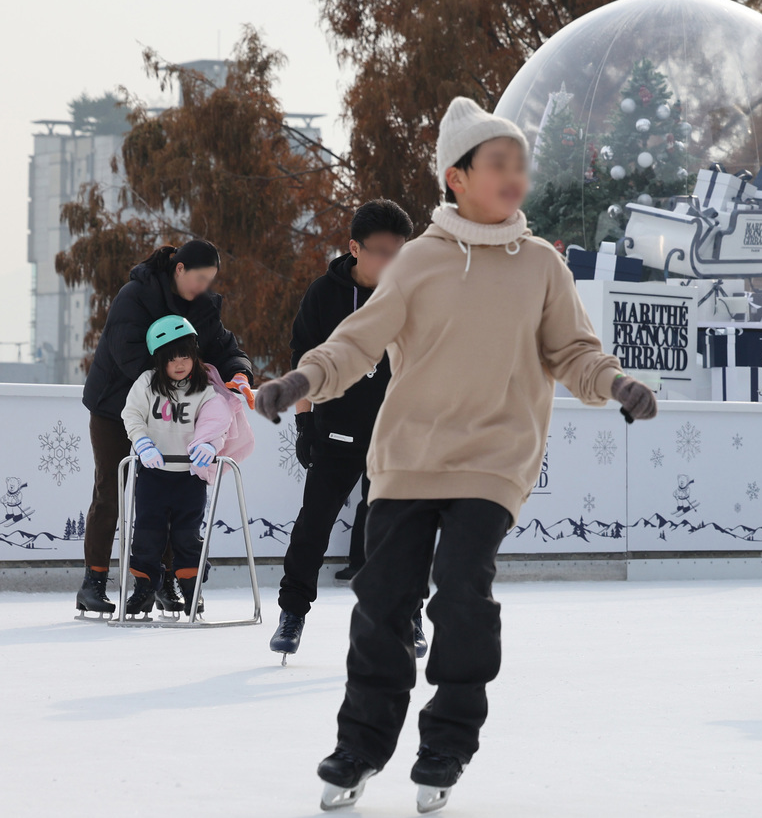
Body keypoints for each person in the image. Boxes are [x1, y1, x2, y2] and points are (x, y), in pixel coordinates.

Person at [252, 97, 659, 813]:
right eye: (497, 163)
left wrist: (616, 382)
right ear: (457, 176)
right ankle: (363, 743)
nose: (514, 176)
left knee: (461, 589)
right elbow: (357, 341)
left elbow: (572, 350)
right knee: (383, 601)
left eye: (520, 165)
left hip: (494, 460)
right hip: (408, 457)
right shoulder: (417, 263)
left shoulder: (541, 266)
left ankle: (447, 737)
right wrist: (300, 381)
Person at [76, 240, 253, 620]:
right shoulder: (136, 295)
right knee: (111, 491)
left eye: (210, 280)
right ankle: (93, 582)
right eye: (199, 277)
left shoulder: (201, 305)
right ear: (179, 269)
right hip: (116, 406)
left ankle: (165, 583)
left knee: (172, 491)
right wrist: (179, 383)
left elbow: (223, 345)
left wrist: (239, 372)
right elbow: (129, 356)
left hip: (171, 414)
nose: (203, 286)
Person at [270, 199, 415, 664]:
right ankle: (292, 614)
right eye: (383, 251)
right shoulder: (324, 295)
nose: (393, 262)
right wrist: (304, 422)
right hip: (336, 434)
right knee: (313, 526)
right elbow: (306, 364)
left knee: (398, 532)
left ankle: (408, 614)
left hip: (395, 437)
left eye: (401, 251)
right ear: (355, 248)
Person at [118, 317, 243, 617]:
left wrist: (210, 445)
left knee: (188, 537)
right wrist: (142, 443)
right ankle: (144, 590)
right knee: (147, 535)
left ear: (194, 355)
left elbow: (218, 422)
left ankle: (192, 591)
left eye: (185, 356)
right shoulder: (146, 383)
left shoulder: (204, 388)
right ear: (159, 360)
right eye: (171, 358)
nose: (179, 364)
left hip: (189, 477)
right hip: (153, 475)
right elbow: (131, 415)